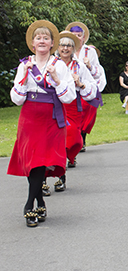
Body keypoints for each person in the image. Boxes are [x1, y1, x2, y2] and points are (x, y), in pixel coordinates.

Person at [8, 20, 76, 227]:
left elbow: (69, 97)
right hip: (30, 117)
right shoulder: (24, 65)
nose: (42, 41)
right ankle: (38, 201)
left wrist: (56, 79)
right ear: (32, 43)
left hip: (51, 118)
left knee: (41, 162)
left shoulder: (60, 66)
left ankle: (30, 205)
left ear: (52, 43)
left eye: (46, 38)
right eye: (38, 38)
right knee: (32, 162)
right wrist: (24, 77)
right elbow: (16, 99)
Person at [44, 31, 98, 194]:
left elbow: (91, 89)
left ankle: (62, 165)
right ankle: (48, 178)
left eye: (69, 45)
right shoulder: (50, 63)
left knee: (74, 140)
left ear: (74, 48)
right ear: (57, 47)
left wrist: (80, 84)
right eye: (62, 45)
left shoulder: (79, 66)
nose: (65, 48)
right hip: (53, 105)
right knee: (51, 142)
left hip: (72, 106)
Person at [66, 22, 105, 151]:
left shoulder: (90, 52)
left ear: (83, 37)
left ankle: (82, 138)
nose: (77, 37)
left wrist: (89, 66)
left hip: (86, 88)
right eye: (74, 35)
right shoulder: (63, 49)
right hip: (71, 89)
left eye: (79, 35)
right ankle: (74, 142)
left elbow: (98, 73)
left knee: (87, 113)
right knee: (72, 115)